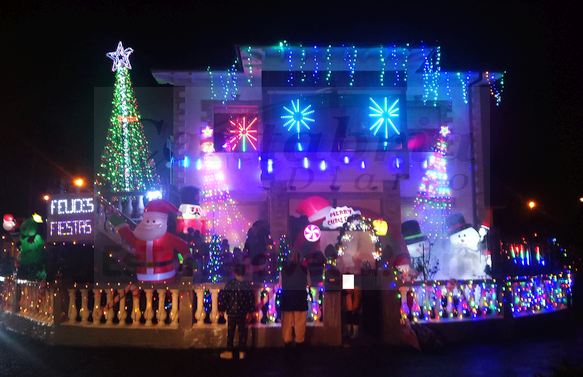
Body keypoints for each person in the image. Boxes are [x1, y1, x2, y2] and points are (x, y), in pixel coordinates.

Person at [218, 264, 256, 359]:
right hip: (242, 312)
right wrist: (251, 309)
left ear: (234, 272)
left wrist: (222, 308)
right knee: (242, 332)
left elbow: (224, 297)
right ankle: (241, 352)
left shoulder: (230, 283)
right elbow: (250, 298)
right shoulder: (246, 284)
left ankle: (229, 351)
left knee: (230, 332)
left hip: (232, 312)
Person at [279, 249, 309, 361]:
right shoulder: (305, 269)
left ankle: (287, 347)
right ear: (300, 258)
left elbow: (281, 284)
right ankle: (299, 348)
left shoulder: (284, 270)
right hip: (300, 298)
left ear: (290, 257)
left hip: (287, 299)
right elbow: (308, 283)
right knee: (300, 324)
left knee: (287, 323)